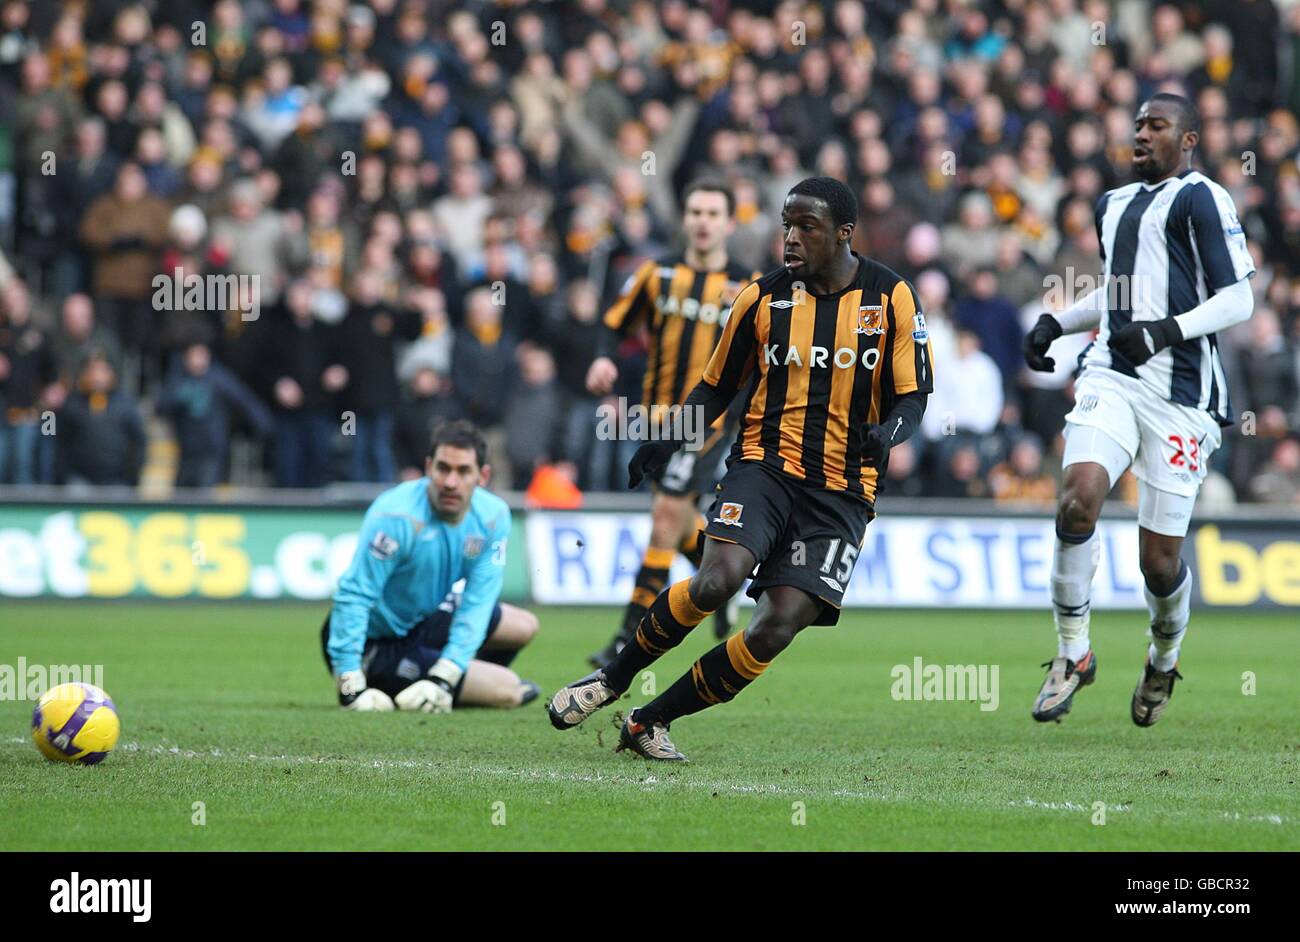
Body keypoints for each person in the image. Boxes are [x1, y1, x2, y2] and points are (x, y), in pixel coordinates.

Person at [548, 177, 934, 760]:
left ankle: (649, 721)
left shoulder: (891, 298)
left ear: (844, 234)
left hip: (842, 495)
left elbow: (914, 398)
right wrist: (666, 439)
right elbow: (716, 386)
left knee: (776, 626)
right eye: (787, 225)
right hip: (764, 468)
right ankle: (611, 679)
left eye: (807, 227)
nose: (792, 238)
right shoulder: (761, 297)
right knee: (716, 579)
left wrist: (888, 435)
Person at [1022, 94, 1255, 727]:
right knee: (1078, 495)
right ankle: (1073, 654)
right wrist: (1058, 322)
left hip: (1183, 396)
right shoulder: (1114, 204)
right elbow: (1120, 293)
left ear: (1187, 139)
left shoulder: (1203, 197)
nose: (1141, 133)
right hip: (1114, 375)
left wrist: (1165, 331)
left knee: (1158, 562)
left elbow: (1239, 299)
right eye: (1138, 125)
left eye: (1157, 125)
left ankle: (1163, 656)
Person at [584, 179, 760, 669]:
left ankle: (626, 639)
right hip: (655, 418)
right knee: (680, 521)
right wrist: (603, 360)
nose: (703, 221)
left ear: (729, 222)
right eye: (695, 211)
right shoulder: (656, 274)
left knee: (664, 515)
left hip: (708, 422)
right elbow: (614, 323)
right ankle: (723, 583)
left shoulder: (750, 286)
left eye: (712, 213)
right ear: (685, 219)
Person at [321, 420, 540, 712]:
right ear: (428, 468)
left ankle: (438, 680)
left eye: (463, 471)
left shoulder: (493, 517)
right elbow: (354, 596)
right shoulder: (398, 516)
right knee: (509, 690)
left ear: (482, 476)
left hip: (422, 619)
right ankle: (412, 677)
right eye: (443, 468)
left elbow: (479, 602)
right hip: (374, 643)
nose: (450, 482)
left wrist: (446, 675)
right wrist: (349, 685)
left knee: (524, 626)